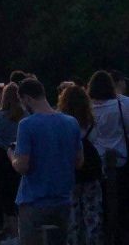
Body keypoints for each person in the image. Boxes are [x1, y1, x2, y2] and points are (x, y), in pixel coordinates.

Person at [10, 78, 83, 245]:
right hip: (63, 199)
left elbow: (22, 166)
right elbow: (79, 161)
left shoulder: (27, 125)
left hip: (33, 200)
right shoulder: (71, 122)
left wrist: (11, 155)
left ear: (27, 99)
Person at [58, 85, 103, 245]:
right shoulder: (90, 122)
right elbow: (96, 141)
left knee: (72, 214)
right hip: (91, 171)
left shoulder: (62, 122)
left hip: (71, 172)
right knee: (92, 213)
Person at [87, 70, 129, 244]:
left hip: (96, 162)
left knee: (100, 205)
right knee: (121, 205)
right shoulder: (122, 105)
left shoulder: (88, 107)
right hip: (120, 160)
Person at [0, 82, 24, 242]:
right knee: (17, 193)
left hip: (0, 157)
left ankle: (8, 230)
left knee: (2, 195)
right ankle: (18, 231)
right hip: (19, 155)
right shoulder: (25, 116)